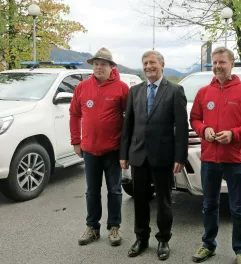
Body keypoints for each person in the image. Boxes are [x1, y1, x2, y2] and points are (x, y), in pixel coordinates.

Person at [189, 47, 241, 264]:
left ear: (232, 64)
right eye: (214, 63)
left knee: (238, 208)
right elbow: (194, 119)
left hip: (235, 160)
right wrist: (204, 130)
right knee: (209, 206)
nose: (218, 66)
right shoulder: (204, 92)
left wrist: (234, 134)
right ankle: (208, 245)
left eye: (222, 62)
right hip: (210, 159)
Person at [120, 50, 188, 261]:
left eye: (152, 63)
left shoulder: (175, 91)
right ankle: (141, 238)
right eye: (145, 63)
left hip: (163, 156)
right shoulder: (135, 91)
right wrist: (124, 153)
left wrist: (180, 157)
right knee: (139, 200)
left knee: (164, 201)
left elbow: (182, 128)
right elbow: (128, 125)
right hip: (138, 155)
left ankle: (163, 239)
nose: (149, 67)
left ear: (162, 65)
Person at [69, 48, 130, 247]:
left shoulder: (121, 88)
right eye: (95, 63)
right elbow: (74, 115)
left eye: (103, 64)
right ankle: (92, 227)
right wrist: (76, 141)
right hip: (89, 150)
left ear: (111, 67)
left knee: (115, 190)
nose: (98, 67)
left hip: (113, 150)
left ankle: (114, 227)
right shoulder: (82, 87)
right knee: (92, 191)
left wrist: (125, 149)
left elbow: (129, 120)